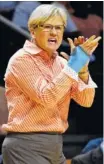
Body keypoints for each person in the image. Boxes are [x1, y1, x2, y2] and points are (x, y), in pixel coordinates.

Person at [1, 4, 101, 164]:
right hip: (26, 146)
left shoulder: (62, 63)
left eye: (59, 27)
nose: (54, 32)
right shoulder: (21, 60)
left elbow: (86, 100)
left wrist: (82, 71)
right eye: (48, 27)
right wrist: (73, 67)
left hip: (55, 145)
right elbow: (47, 97)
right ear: (33, 30)